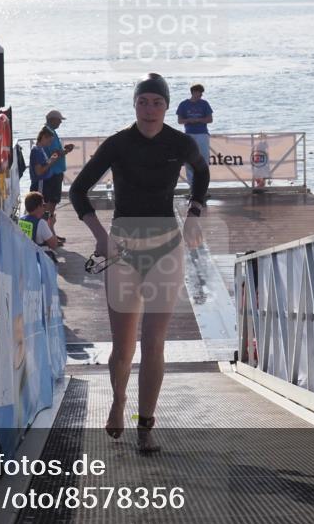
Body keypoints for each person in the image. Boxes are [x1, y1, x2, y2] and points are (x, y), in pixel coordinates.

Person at [69, 73, 209, 453]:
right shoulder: (118, 144)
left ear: (167, 107)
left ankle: (145, 426)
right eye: (143, 102)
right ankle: (118, 401)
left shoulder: (178, 143)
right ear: (134, 105)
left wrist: (195, 212)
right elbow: (77, 190)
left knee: (154, 342)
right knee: (123, 345)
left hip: (166, 248)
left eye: (157, 103)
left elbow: (203, 172)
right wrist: (100, 236)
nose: (150, 109)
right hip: (123, 251)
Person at [43, 109, 74, 242]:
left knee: (52, 203)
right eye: (59, 120)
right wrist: (65, 151)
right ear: (53, 120)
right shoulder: (48, 132)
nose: (61, 122)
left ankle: (51, 232)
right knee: (50, 203)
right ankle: (49, 234)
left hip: (54, 172)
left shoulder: (50, 132)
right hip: (52, 173)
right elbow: (53, 154)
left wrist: (63, 151)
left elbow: (54, 152)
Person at [175, 83, 213, 191]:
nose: (200, 95)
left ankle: (203, 189)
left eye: (201, 93)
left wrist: (199, 120)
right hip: (189, 134)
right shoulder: (184, 104)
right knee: (189, 160)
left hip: (202, 133)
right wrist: (189, 120)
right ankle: (192, 188)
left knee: (204, 160)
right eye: (198, 93)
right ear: (193, 92)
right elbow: (179, 120)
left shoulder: (204, 104)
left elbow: (210, 119)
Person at [29, 126, 60, 194]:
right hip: (40, 183)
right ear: (43, 137)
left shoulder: (40, 149)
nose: (50, 143)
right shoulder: (36, 151)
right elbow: (39, 172)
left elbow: (44, 164)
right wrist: (51, 162)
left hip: (44, 183)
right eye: (49, 141)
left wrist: (51, 159)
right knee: (40, 203)